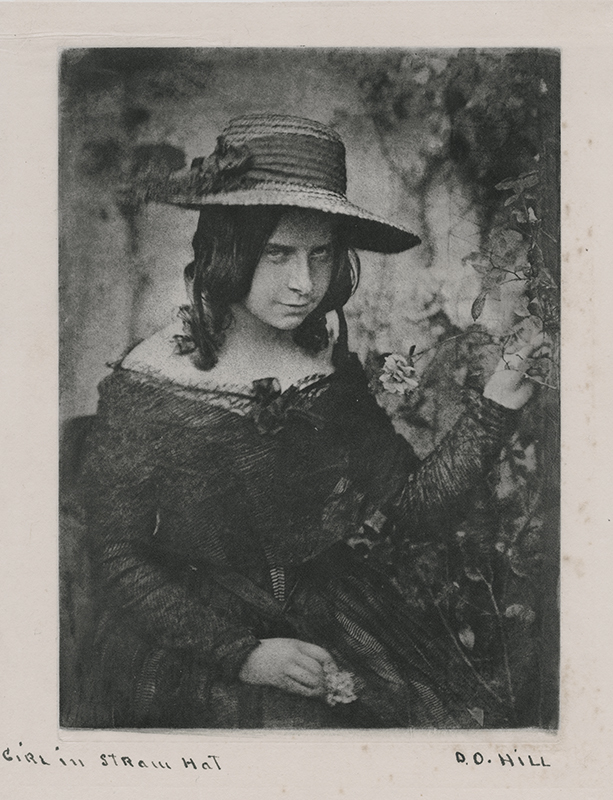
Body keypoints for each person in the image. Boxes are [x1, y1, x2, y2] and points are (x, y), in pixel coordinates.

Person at [70, 114, 538, 729]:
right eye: (277, 253)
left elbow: (408, 507)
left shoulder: (324, 364)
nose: (304, 284)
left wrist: (496, 405)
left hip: (329, 614)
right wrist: (241, 655)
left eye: (321, 255)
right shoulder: (150, 381)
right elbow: (119, 557)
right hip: (191, 643)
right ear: (229, 251)